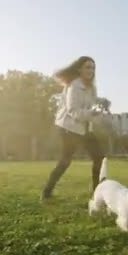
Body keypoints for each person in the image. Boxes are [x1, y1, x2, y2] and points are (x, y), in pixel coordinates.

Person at [41, 56, 105, 201]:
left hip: (84, 128)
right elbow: (73, 112)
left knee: (99, 157)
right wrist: (91, 113)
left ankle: (97, 193)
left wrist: (98, 115)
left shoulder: (92, 88)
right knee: (65, 161)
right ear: (79, 69)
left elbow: (90, 110)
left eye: (93, 67)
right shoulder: (74, 85)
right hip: (68, 128)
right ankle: (46, 193)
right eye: (88, 67)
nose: (91, 70)